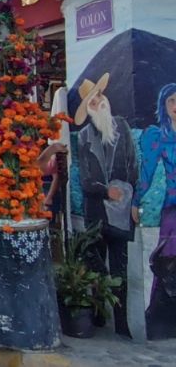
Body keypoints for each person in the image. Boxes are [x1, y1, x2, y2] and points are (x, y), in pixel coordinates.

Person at [74, 74, 136, 337]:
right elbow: (86, 179)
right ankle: (99, 317)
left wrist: (136, 201)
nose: (98, 101)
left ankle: (122, 325)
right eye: (92, 100)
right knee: (97, 266)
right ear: (88, 109)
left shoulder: (122, 128)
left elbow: (134, 167)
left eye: (100, 96)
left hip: (122, 213)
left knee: (120, 270)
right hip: (97, 213)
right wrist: (105, 191)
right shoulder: (84, 137)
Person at [133, 83, 176, 340]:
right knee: (168, 259)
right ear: (164, 105)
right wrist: (135, 201)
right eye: (172, 101)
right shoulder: (157, 136)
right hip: (172, 207)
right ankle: (161, 317)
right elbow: (147, 173)